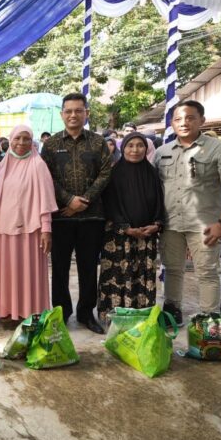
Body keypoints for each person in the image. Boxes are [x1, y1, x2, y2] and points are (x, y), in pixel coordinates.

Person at [155, 100, 221, 323]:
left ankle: (209, 318)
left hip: (205, 225)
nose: (183, 123)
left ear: (201, 120)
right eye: (177, 119)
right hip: (170, 223)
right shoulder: (161, 152)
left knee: (207, 272)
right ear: (172, 123)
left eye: (190, 118)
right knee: (172, 269)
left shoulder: (219, 148)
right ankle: (172, 311)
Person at [41, 93, 112, 334]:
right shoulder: (50, 145)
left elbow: (105, 173)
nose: (73, 115)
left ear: (86, 113)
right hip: (61, 217)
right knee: (59, 267)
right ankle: (61, 312)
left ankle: (85, 313)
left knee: (88, 267)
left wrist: (85, 199)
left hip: (92, 217)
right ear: (62, 114)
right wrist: (69, 200)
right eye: (68, 111)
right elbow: (45, 177)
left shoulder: (98, 142)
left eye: (78, 110)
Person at [97, 133, 165, 324]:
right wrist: (126, 228)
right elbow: (108, 205)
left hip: (146, 238)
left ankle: (141, 316)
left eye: (140, 146)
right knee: (119, 276)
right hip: (118, 239)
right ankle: (115, 317)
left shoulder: (152, 173)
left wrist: (156, 224)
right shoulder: (113, 173)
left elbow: (160, 202)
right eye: (130, 146)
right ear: (123, 148)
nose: (135, 150)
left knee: (142, 275)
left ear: (147, 149)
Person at [0, 125, 57, 322]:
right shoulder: (4, 164)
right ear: (10, 140)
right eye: (17, 138)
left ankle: (31, 311)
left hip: (31, 231)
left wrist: (46, 229)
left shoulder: (38, 165)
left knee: (29, 273)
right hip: (4, 230)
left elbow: (45, 199)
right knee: (7, 272)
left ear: (32, 142)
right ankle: (9, 311)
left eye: (26, 139)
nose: (21, 143)